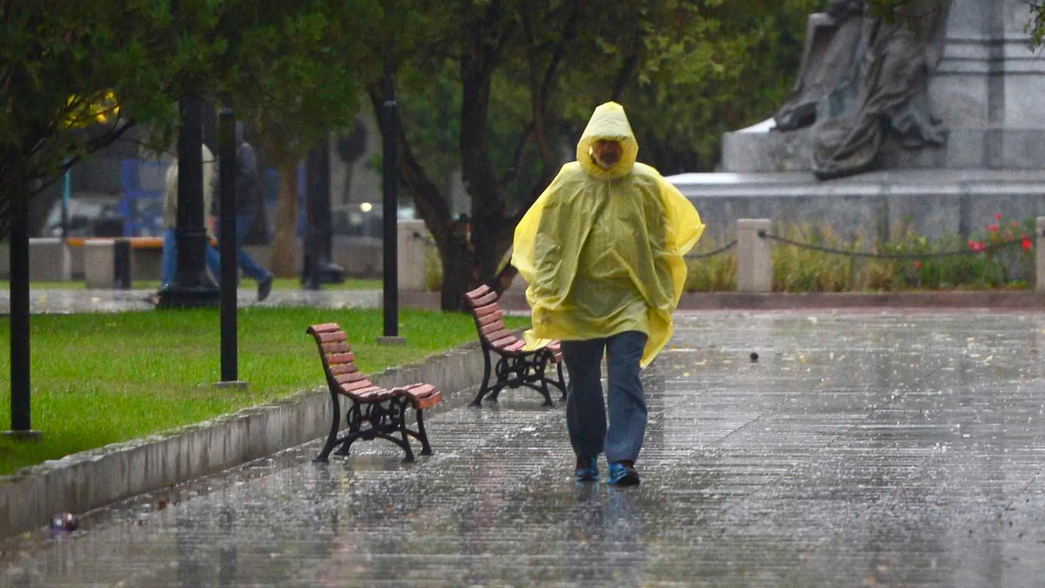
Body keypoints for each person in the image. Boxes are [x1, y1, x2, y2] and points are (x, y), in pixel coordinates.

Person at [512, 101, 704, 486]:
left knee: (624, 377)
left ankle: (623, 459)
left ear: (628, 143)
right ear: (590, 143)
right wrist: (548, 294)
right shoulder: (568, 182)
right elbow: (549, 241)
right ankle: (586, 452)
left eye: (617, 141)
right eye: (603, 141)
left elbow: (660, 243)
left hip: (629, 302)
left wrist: (660, 292)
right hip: (576, 301)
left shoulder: (646, 183)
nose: (609, 149)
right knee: (582, 381)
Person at [218, 123, 274, 301]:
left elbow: (248, 177)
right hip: (232, 206)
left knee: (230, 247)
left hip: (241, 208)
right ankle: (234, 280)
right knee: (225, 246)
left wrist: (232, 198)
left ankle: (261, 275)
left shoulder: (244, 151)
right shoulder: (232, 152)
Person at [160, 144, 221, 288]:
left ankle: (166, 286)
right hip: (176, 215)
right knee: (200, 249)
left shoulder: (201, 152)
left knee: (178, 245)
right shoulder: (182, 151)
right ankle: (166, 286)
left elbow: (203, 186)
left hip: (187, 215)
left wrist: (194, 212)